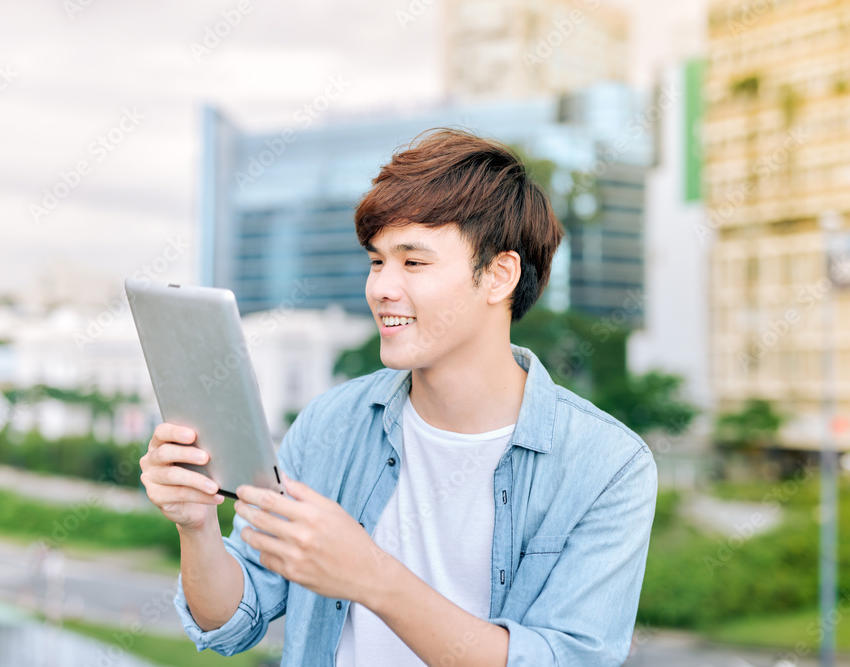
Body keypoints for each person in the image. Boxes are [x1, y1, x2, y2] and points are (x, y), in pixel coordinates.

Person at [140, 128, 658, 666]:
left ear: (499, 275)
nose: (382, 287)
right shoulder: (331, 423)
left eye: (413, 262)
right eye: (376, 260)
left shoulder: (608, 467)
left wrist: (371, 576)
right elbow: (230, 623)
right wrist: (196, 526)